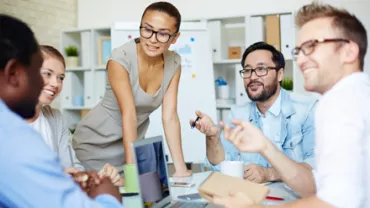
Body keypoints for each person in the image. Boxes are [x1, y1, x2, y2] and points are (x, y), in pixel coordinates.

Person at [212, 2, 370, 208]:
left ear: (349, 51)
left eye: (312, 46)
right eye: (299, 51)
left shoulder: (341, 103)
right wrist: (265, 146)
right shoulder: (353, 95)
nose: (301, 59)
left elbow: (336, 203)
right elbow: (313, 188)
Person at [0, 14, 122, 207]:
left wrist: (83, 178)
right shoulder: (12, 138)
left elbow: (68, 169)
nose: (52, 84)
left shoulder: (50, 119)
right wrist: (109, 196)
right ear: (12, 72)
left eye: (61, 78)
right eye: (40, 74)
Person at [73, 1, 191, 177]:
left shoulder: (174, 63)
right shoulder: (120, 60)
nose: (152, 39)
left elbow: (170, 117)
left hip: (130, 146)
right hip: (94, 145)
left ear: (175, 37)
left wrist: (180, 169)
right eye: (147, 29)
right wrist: (132, 173)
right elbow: (128, 114)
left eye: (163, 34)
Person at [193, 42, 317, 184]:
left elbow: (316, 166)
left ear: (280, 74)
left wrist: (269, 174)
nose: (252, 77)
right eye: (247, 70)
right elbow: (221, 167)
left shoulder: (307, 110)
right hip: (250, 198)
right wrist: (212, 137)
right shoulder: (237, 114)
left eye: (261, 69)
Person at [25, 45, 122, 185]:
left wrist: (96, 178)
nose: (55, 83)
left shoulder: (55, 118)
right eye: (47, 73)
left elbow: (72, 168)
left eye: (61, 78)